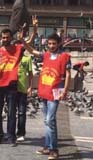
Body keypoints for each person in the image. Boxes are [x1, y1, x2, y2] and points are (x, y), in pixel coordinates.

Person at [22, 17, 71, 160]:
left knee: (50, 120)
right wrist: (23, 41)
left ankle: (54, 149)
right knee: (48, 121)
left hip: (56, 92)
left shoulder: (65, 56)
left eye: (53, 43)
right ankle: (48, 145)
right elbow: (32, 51)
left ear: (59, 43)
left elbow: (68, 74)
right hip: (44, 90)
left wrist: (65, 90)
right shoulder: (46, 55)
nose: (51, 46)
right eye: (49, 43)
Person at [0, 28, 25, 146]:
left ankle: (11, 136)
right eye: (3, 37)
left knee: (11, 113)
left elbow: (28, 44)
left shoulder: (17, 49)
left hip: (11, 84)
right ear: (1, 38)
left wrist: (33, 31)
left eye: (7, 37)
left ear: (11, 38)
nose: (5, 39)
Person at [16, 49, 33, 142]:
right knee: (11, 112)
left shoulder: (27, 59)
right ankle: (10, 132)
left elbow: (30, 74)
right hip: (11, 88)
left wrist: (30, 86)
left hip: (22, 88)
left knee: (22, 112)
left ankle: (21, 133)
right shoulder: (12, 58)